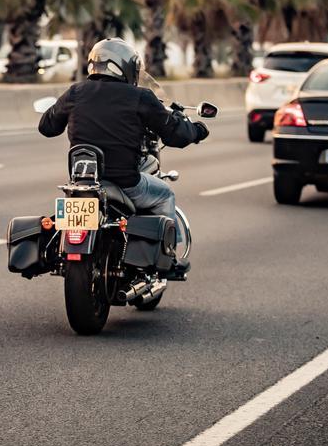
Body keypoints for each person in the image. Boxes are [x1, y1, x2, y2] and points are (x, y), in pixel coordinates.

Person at [38, 38, 209, 274]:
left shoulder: (76, 92)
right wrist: (197, 130)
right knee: (165, 194)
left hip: (81, 184)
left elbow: (47, 127)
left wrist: (59, 109)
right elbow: (175, 135)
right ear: (126, 66)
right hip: (126, 183)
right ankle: (169, 259)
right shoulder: (140, 97)